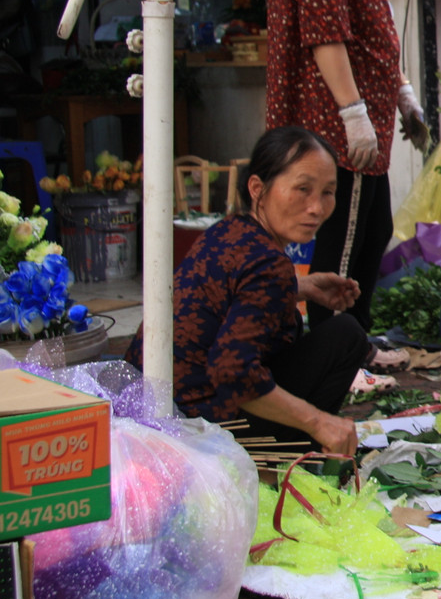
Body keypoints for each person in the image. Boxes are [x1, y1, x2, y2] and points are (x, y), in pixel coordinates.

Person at [264, 0, 426, 361]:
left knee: (372, 227)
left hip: (358, 125)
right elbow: (324, 36)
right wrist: (353, 114)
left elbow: (362, 34)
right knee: (349, 234)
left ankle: (353, 339)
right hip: (338, 130)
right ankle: (342, 350)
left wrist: (400, 92)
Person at [126, 128, 369, 454]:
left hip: (154, 406)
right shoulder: (268, 262)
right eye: (302, 189)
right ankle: (298, 453)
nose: (316, 207)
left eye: (327, 192)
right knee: (347, 334)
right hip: (200, 428)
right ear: (258, 188)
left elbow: (227, 296)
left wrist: (300, 288)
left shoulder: (230, 230)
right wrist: (318, 421)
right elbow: (232, 371)